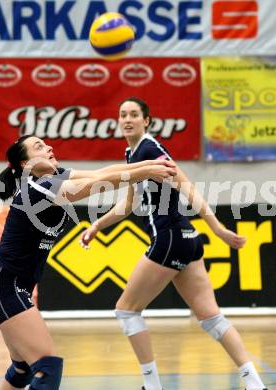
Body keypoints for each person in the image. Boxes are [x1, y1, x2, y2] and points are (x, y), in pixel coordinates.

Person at [80, 97, 268, 390]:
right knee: (210, 317)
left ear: (147, 121)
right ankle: (255, 383)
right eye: (122, 115)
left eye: (133, 114)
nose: (127, 119)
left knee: (127, 311)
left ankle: (152, 385)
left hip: (169, 237)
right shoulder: (134, 153)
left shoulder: (151, 148)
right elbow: (130, 203)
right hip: (186, 238)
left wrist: (217, 228)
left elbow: (185, 184)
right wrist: (97, 225)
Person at [0, 134, 177, 390]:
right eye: (38, 147)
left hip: (13, 285)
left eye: (46, 143)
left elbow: (102, 172)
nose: (48, 147)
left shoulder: (54, 176)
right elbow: (99, 184)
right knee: (47, 367)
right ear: (26, 164)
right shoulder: (37, 189)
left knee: (22, 369)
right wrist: (148, 170)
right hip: (3, 285)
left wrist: (146, 166)